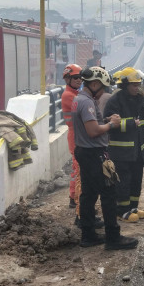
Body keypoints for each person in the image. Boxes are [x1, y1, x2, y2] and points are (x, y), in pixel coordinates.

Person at [72, 66, 138, 250]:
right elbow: (93, 131)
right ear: (94, 84)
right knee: (109, 194)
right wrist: (112, 124)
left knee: (89, 194)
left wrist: (106, 121)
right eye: (103, 88)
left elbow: (91, 124)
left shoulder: (79, 100)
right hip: (94, 154)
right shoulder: (87, 103)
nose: (104, 92)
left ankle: (88, 235)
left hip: (85, 152)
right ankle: (113, 238)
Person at [104, 68, 144, 223]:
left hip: (137, 151)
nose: (137, 88)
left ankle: (133, 207)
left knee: (136, 181)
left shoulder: (140, 101)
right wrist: (131, 123)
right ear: (124, 85)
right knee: (123, 182)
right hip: (121, 152)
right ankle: (122, 211)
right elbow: (109, 124)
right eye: (134, 85)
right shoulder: (115, 101)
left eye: (138, 84)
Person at [61, 64, 83, 211]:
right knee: (77, 167)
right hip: (75, 135)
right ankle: (74, 197)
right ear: (68, 79)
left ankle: (75, 197)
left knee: (79, 166)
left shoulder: (75, 93)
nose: (79, 80)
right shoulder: (69, 95)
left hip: (77, 133)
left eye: (81, 77)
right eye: (75, 77)